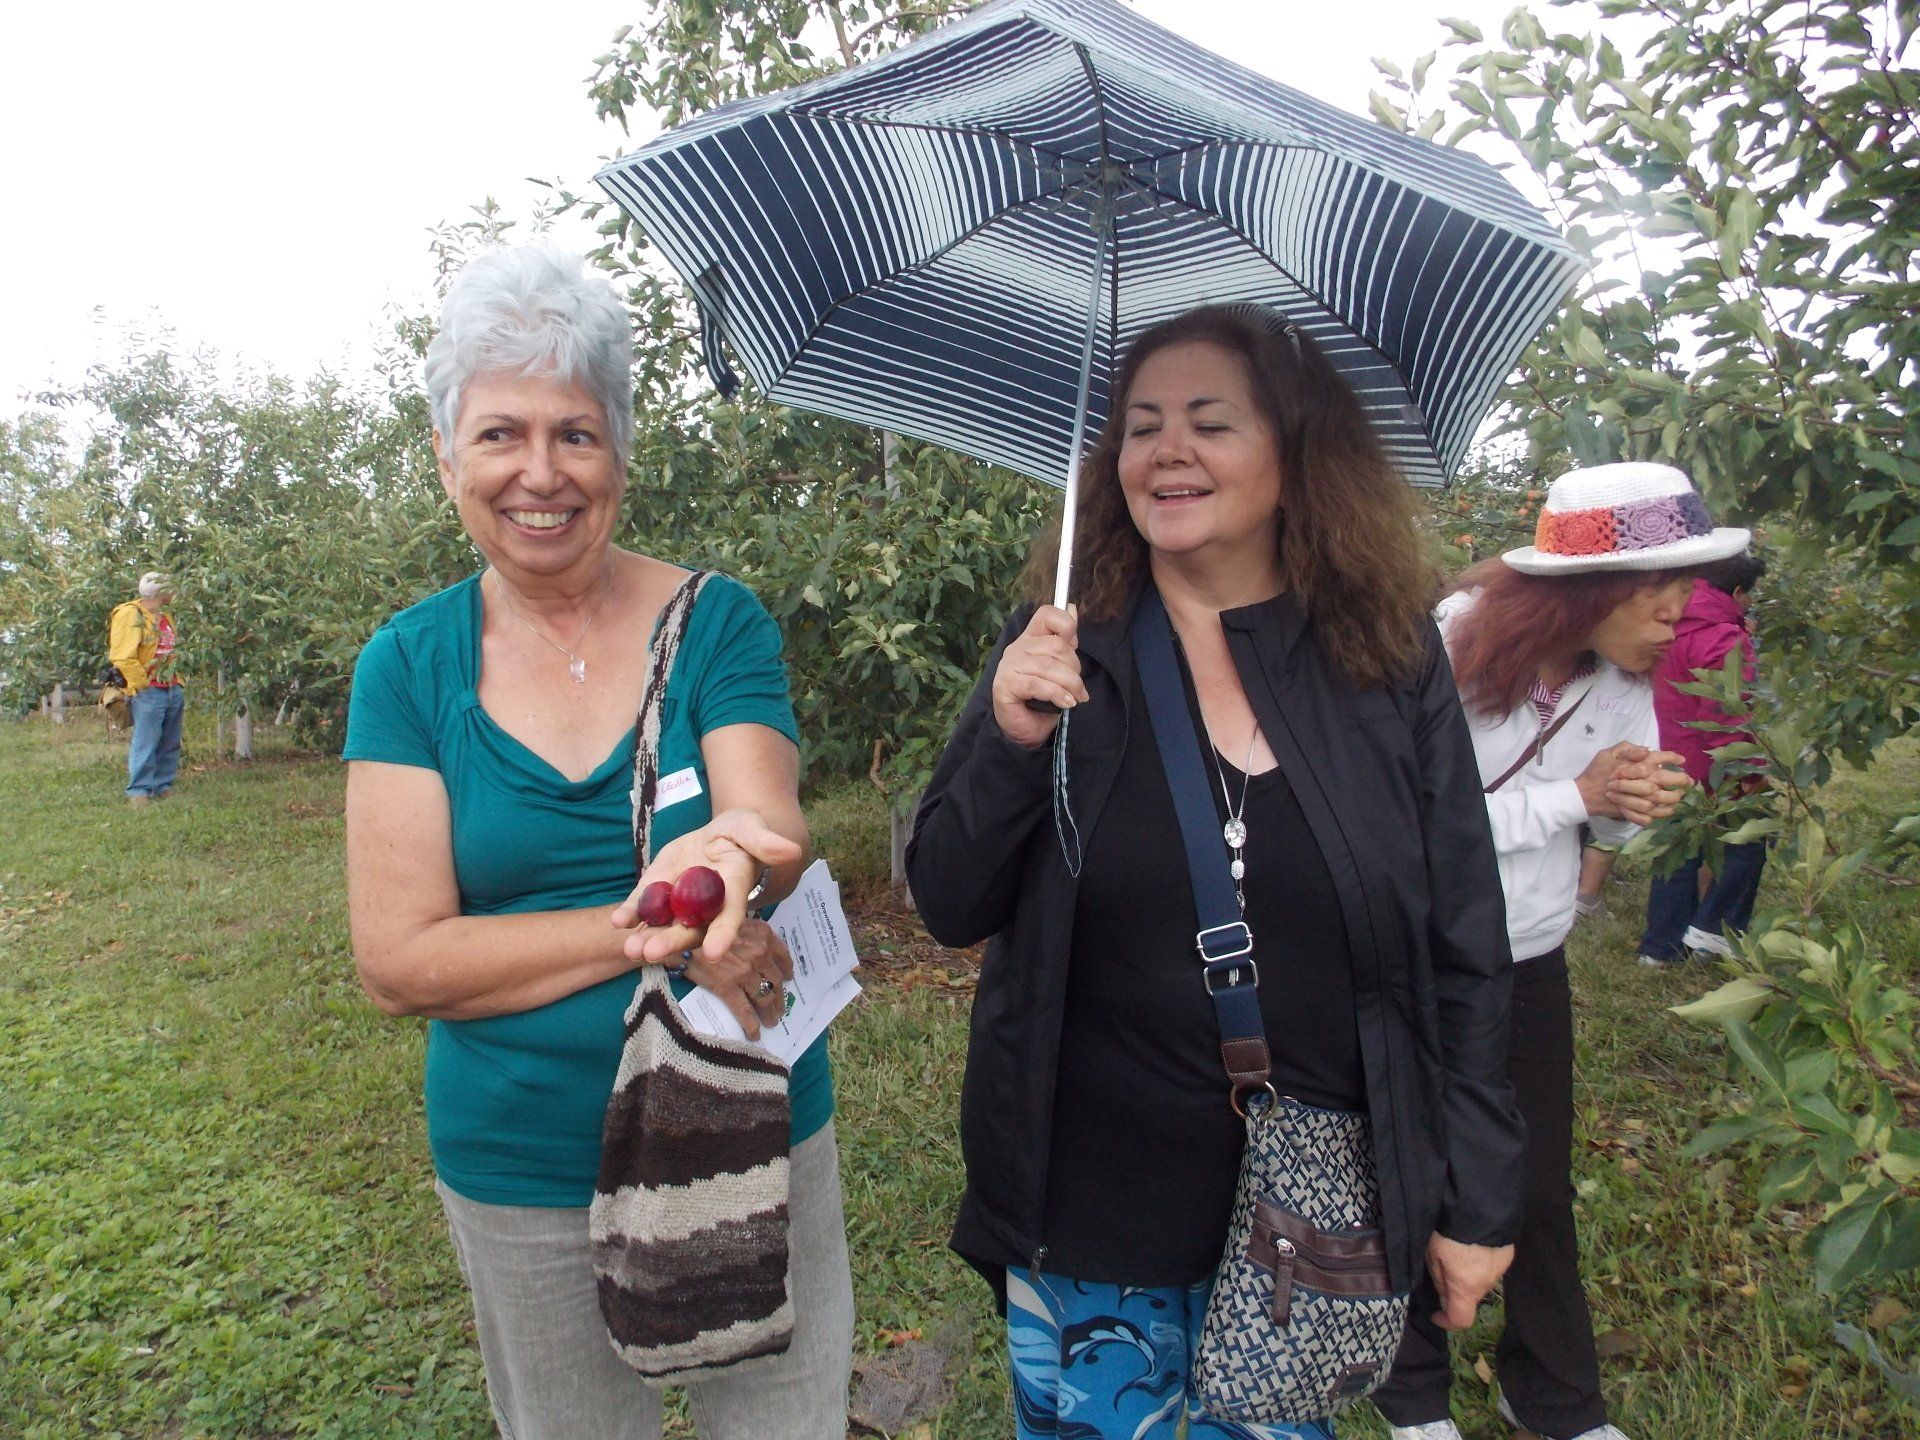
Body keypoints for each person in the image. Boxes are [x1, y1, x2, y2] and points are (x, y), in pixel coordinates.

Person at [908, 307, 1524, 1440]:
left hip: (1313, 1210)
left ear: (1295, 455)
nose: (1167, 451)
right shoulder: (1059, 649)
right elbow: (949, 899)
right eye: (1141, 427)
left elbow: (1466, 943)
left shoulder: (1384, 659)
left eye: (1209, 421)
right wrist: (1009, 735)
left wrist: (1478, 1200)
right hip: (1094, 1208)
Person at [342, 246, 852, 1440]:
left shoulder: (718, 620)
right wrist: (658, 929)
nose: (541, 473)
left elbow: (765, 825)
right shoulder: (408, 669)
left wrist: (728, 864)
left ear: (621, 454)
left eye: (576, 433)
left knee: (784, 1417)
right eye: (499, 435)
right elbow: (401, 960)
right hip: (524, 1159)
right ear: (445, 457)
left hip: (745, 1119)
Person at [1375, 462, 1750, 1440]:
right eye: (1658, 583)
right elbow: (1404, 821)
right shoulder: (1448, 641)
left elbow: (1604, 835)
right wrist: (1574, 798)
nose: (1680, 611)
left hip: (1527, 959)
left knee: (1536, 1182)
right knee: (1406, 1166)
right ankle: (1411, 1392)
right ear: (1584, 587)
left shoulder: (1626, 678)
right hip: (1410, 958)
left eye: (1690, 581)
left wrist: (1627, 809)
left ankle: (1550, 1396)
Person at [1636, 550, 1769, 966]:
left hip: (1665, 754)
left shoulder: (1664, 623)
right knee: (1747, 843)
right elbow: (1729, 712)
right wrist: (1749, 773)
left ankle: (1660, 949)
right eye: (1749, 596)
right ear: (1736, 591)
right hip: (1713, 764)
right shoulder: (1726, 637)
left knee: (1676, 851)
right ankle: (1713, 932)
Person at [109, 570, 184, 804]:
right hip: (149, 689)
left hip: (172, 687)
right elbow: (122, 656)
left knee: (170, 740)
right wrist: (142, 684)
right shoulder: (130, 614)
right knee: (146, 739)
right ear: (160, 592)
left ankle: (163, 784)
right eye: (169, 588)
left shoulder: (164, 616)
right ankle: (139, 790)